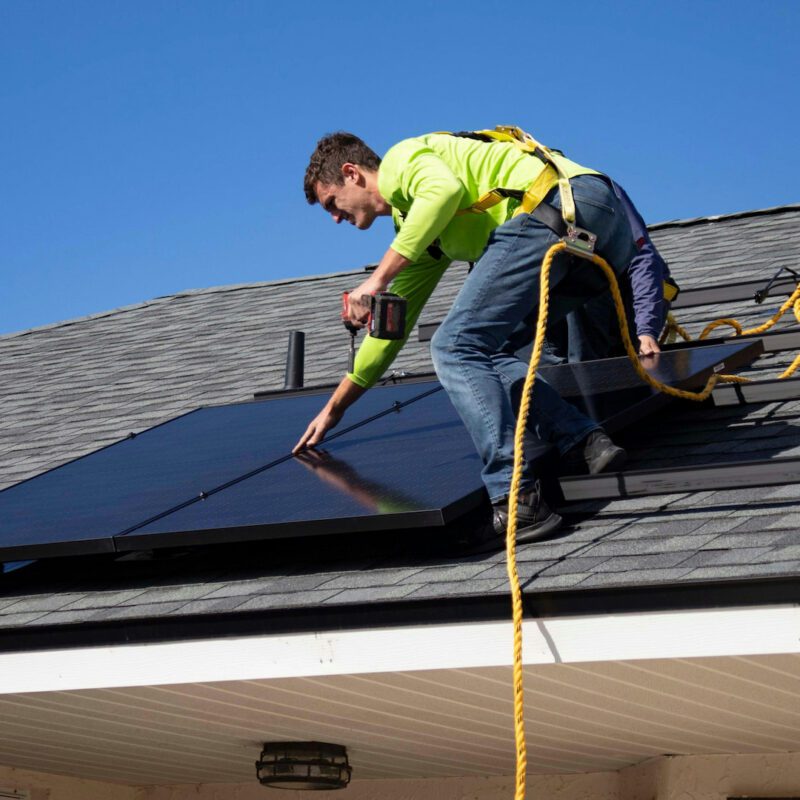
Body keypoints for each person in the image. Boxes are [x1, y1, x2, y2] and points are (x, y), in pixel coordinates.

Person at [293, 129, 658, 550]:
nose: (335, 218)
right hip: (598, 232)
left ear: (352, 173)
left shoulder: (401, 163)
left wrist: (376, 279)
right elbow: (390, 333)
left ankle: (516, 496)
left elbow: (442, 191)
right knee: (489, 350)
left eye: (331, 205)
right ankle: (583, 438)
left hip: (555, 206)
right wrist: (334, 410)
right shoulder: (420, 231)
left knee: (453, 346)